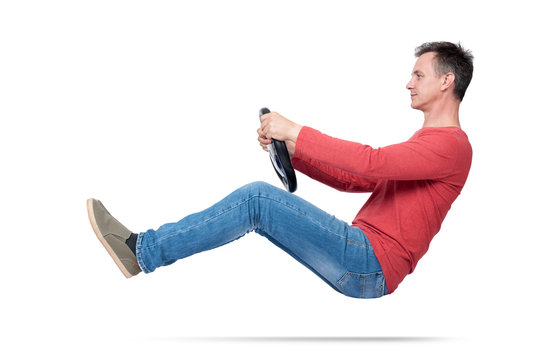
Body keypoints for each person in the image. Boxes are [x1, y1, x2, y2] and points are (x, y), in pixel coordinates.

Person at [87, 41, 474, 298]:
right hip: (364, 259)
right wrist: (295, 152)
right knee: (258, 203)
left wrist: (297, 131)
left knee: (257, 198)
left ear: (446, 80)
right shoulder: (426, 143)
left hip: (369, 262)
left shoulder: (451, 146)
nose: (408, 83)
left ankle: (143, 251)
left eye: (418, 75)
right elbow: (359, 178)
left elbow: (370, 161)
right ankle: (142, 252)